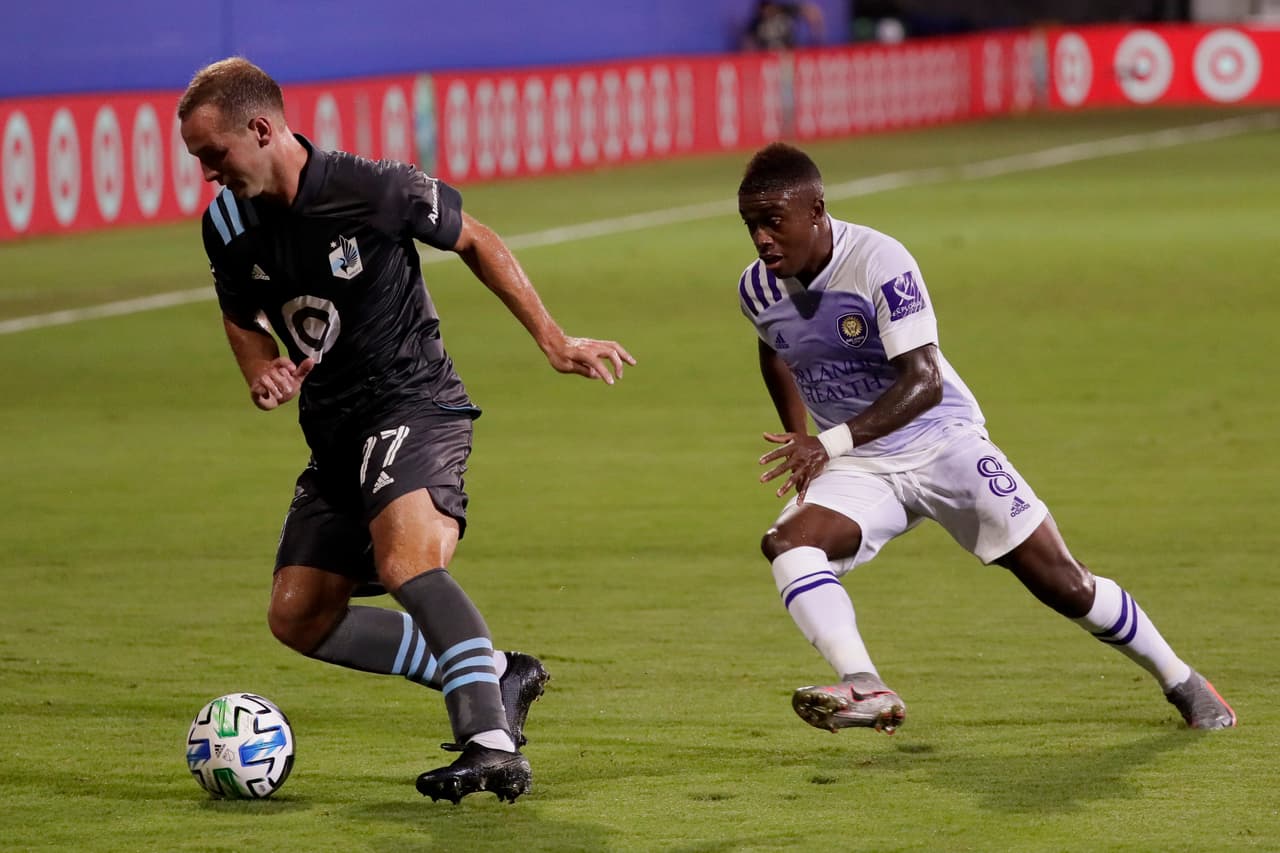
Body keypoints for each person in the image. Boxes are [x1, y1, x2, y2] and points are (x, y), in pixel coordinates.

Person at [178, 57, 636, 804]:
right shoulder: (227, 224)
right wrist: (260, 367)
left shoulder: (374, 187)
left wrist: (555, 340)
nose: (206, 174)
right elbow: (240, 312)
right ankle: (490, 669)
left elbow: (477, 240)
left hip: (413, 404)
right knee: (298, 615)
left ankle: (490, 740)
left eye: (213, 155)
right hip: (332, 430)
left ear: (262, 129)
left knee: (407, 563)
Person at [735, 142, 1235, 735]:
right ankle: (864, 685)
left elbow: (924, 381)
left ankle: (1182, 681)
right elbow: (775, 351)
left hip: (943, 441)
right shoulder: (757, 288)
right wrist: (801, 440)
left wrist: (829, 442)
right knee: (788, 543)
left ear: (816, 209)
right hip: (862, 462)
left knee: (1063, 583)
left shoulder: (879, 260)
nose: (763, 239)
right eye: (751, 225)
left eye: (773, 221)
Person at [740, 1, 826, 52]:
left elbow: (811, 11)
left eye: (770, 9)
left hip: (790, 54)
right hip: (768, 58)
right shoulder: (757, 22)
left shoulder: (785, 11)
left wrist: (816, 31)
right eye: (764, 11)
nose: (768, 13)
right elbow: (748, 41)